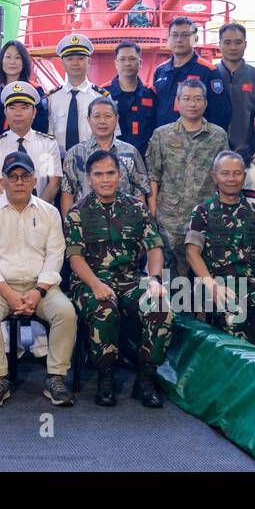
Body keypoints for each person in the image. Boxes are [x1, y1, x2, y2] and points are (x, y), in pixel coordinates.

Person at [65, 150, 173, 407]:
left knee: (161, 309)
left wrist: (155, 279)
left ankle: (145, 380)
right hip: (89, 282)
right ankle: (106, 378)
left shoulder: (136, 207)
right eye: (98, 174)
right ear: (89, 178)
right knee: (105, 310)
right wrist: (95, 284)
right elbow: (75, 258)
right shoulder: (77, 212)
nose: (105, 179)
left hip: (131, 281)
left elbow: (154, 247)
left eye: (110, 173)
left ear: (120, 175)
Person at [0, 151, 77, 407]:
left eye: (25, 176)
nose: (19, 182)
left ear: (34, 181)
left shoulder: (49, 213)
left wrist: (38, 291)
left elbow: (55, 256)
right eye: (13, 176)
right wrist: (9, 294)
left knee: (66, 313)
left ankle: (56, 377)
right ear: (2, 181)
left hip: (40, 287)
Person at [184, 152, 255, 354]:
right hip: (215, 286)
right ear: (215, 177)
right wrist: (210, 284)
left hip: (250, 285)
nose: (231, 179)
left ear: (244, 176)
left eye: (237, 173)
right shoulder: (203, 211)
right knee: (236, 316)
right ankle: (237, 378)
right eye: (225, 173)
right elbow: (191, 253)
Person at [145, 79, 230, 272]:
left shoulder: (218, 136)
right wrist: (154, 214)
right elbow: (153, 176)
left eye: (198, 99)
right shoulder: (162, 135)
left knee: (204, 279)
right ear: (177, 102)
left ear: (205, 103)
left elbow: (224, 177)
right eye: (187, 98)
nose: (192, 104)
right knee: (171, 282)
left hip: (206, 218)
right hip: (168, 221)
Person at [59, 96, 149, 214]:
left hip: (125, 225)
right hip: (86, 223)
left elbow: (139, 192)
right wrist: (69, 226)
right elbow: (67, 193)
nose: (102, 121)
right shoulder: (75, 153)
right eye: (97, 116)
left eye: (108, 116)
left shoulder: (130, 152)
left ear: (116, 119)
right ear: (88, 120)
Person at [151, 16, 231, 132]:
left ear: (195, 39)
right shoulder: (160, 71)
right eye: (174, 35)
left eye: (185, 35)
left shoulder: (209, 71)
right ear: (168, 38)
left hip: (197, 142)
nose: (179, 39)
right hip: (165, 141)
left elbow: (221, 112)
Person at [0, 81, 61, 201]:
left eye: (24, 108)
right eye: (12, 108)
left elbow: (53, 184)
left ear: (34, 112)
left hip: (41, 213)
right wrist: (11, 210)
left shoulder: (48, 144)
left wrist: (37, 209)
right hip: (2, 214)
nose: (18, 113)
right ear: (5, 112)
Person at [46, 33, 110, 154]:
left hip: (93, 163)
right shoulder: (51, 99)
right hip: (59, 163)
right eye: (70, 59)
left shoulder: (101, 97)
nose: (75, 63)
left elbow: (111, 136)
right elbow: (47, 137)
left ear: (89, 61)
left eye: (81, 58)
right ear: (62, 63)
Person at [217, 22, 255, 150]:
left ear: (245, 44)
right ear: (219, 44)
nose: (233, 47)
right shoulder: (209, 75)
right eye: (227, 42)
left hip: (249, 150)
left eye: (238, 42)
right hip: (212, 150)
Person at [106, 41, 157, 158]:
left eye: (132, 59)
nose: (127, 63)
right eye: (122, 59)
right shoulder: (103, 93)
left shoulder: (151, 93)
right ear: (116, 63)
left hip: (145, 159)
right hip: (113, 160)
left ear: (140, 63)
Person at [0, 39, 50, 136]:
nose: (12, 62)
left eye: (17, 58)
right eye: (8, 57)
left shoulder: (35, 91)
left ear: (24, 62)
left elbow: (42, 126)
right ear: (1, 60)